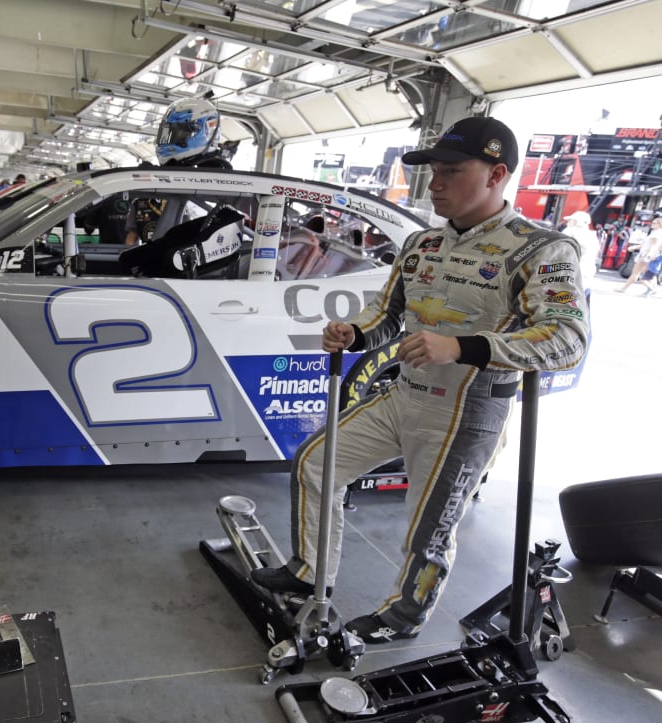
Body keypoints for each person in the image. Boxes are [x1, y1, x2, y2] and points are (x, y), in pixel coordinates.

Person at [250, 116, 590, 643]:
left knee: (428, 527)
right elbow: (386, 315)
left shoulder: (540, 249)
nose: (435, 183)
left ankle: (404, 615)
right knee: (316, 464)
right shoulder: (421, 244)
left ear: (497, 173)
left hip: (468, 410)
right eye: (433, 171)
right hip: (403, 393)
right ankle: (309, 573)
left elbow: (568, 340)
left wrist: (463, 347)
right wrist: (353, 334)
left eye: (451, 171)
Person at [616, 217, 662, 295]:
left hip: (646, 255)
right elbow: (648, 245)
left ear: (659, 224)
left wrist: (647, 254)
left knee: (636, 272)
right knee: (647, 273)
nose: (652, 224)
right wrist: (636, 247)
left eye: (654, 223)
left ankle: (624, 288)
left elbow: (653, 245)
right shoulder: (657, 233)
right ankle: (652, 288)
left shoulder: (656, 233)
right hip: (649, 255)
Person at [560, 210, 599, 287]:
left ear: (576, 221)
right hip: (587, 271)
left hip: (569, 271)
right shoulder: (592, 235)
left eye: (570, 220)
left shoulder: (570, 231)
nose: (567, 222)